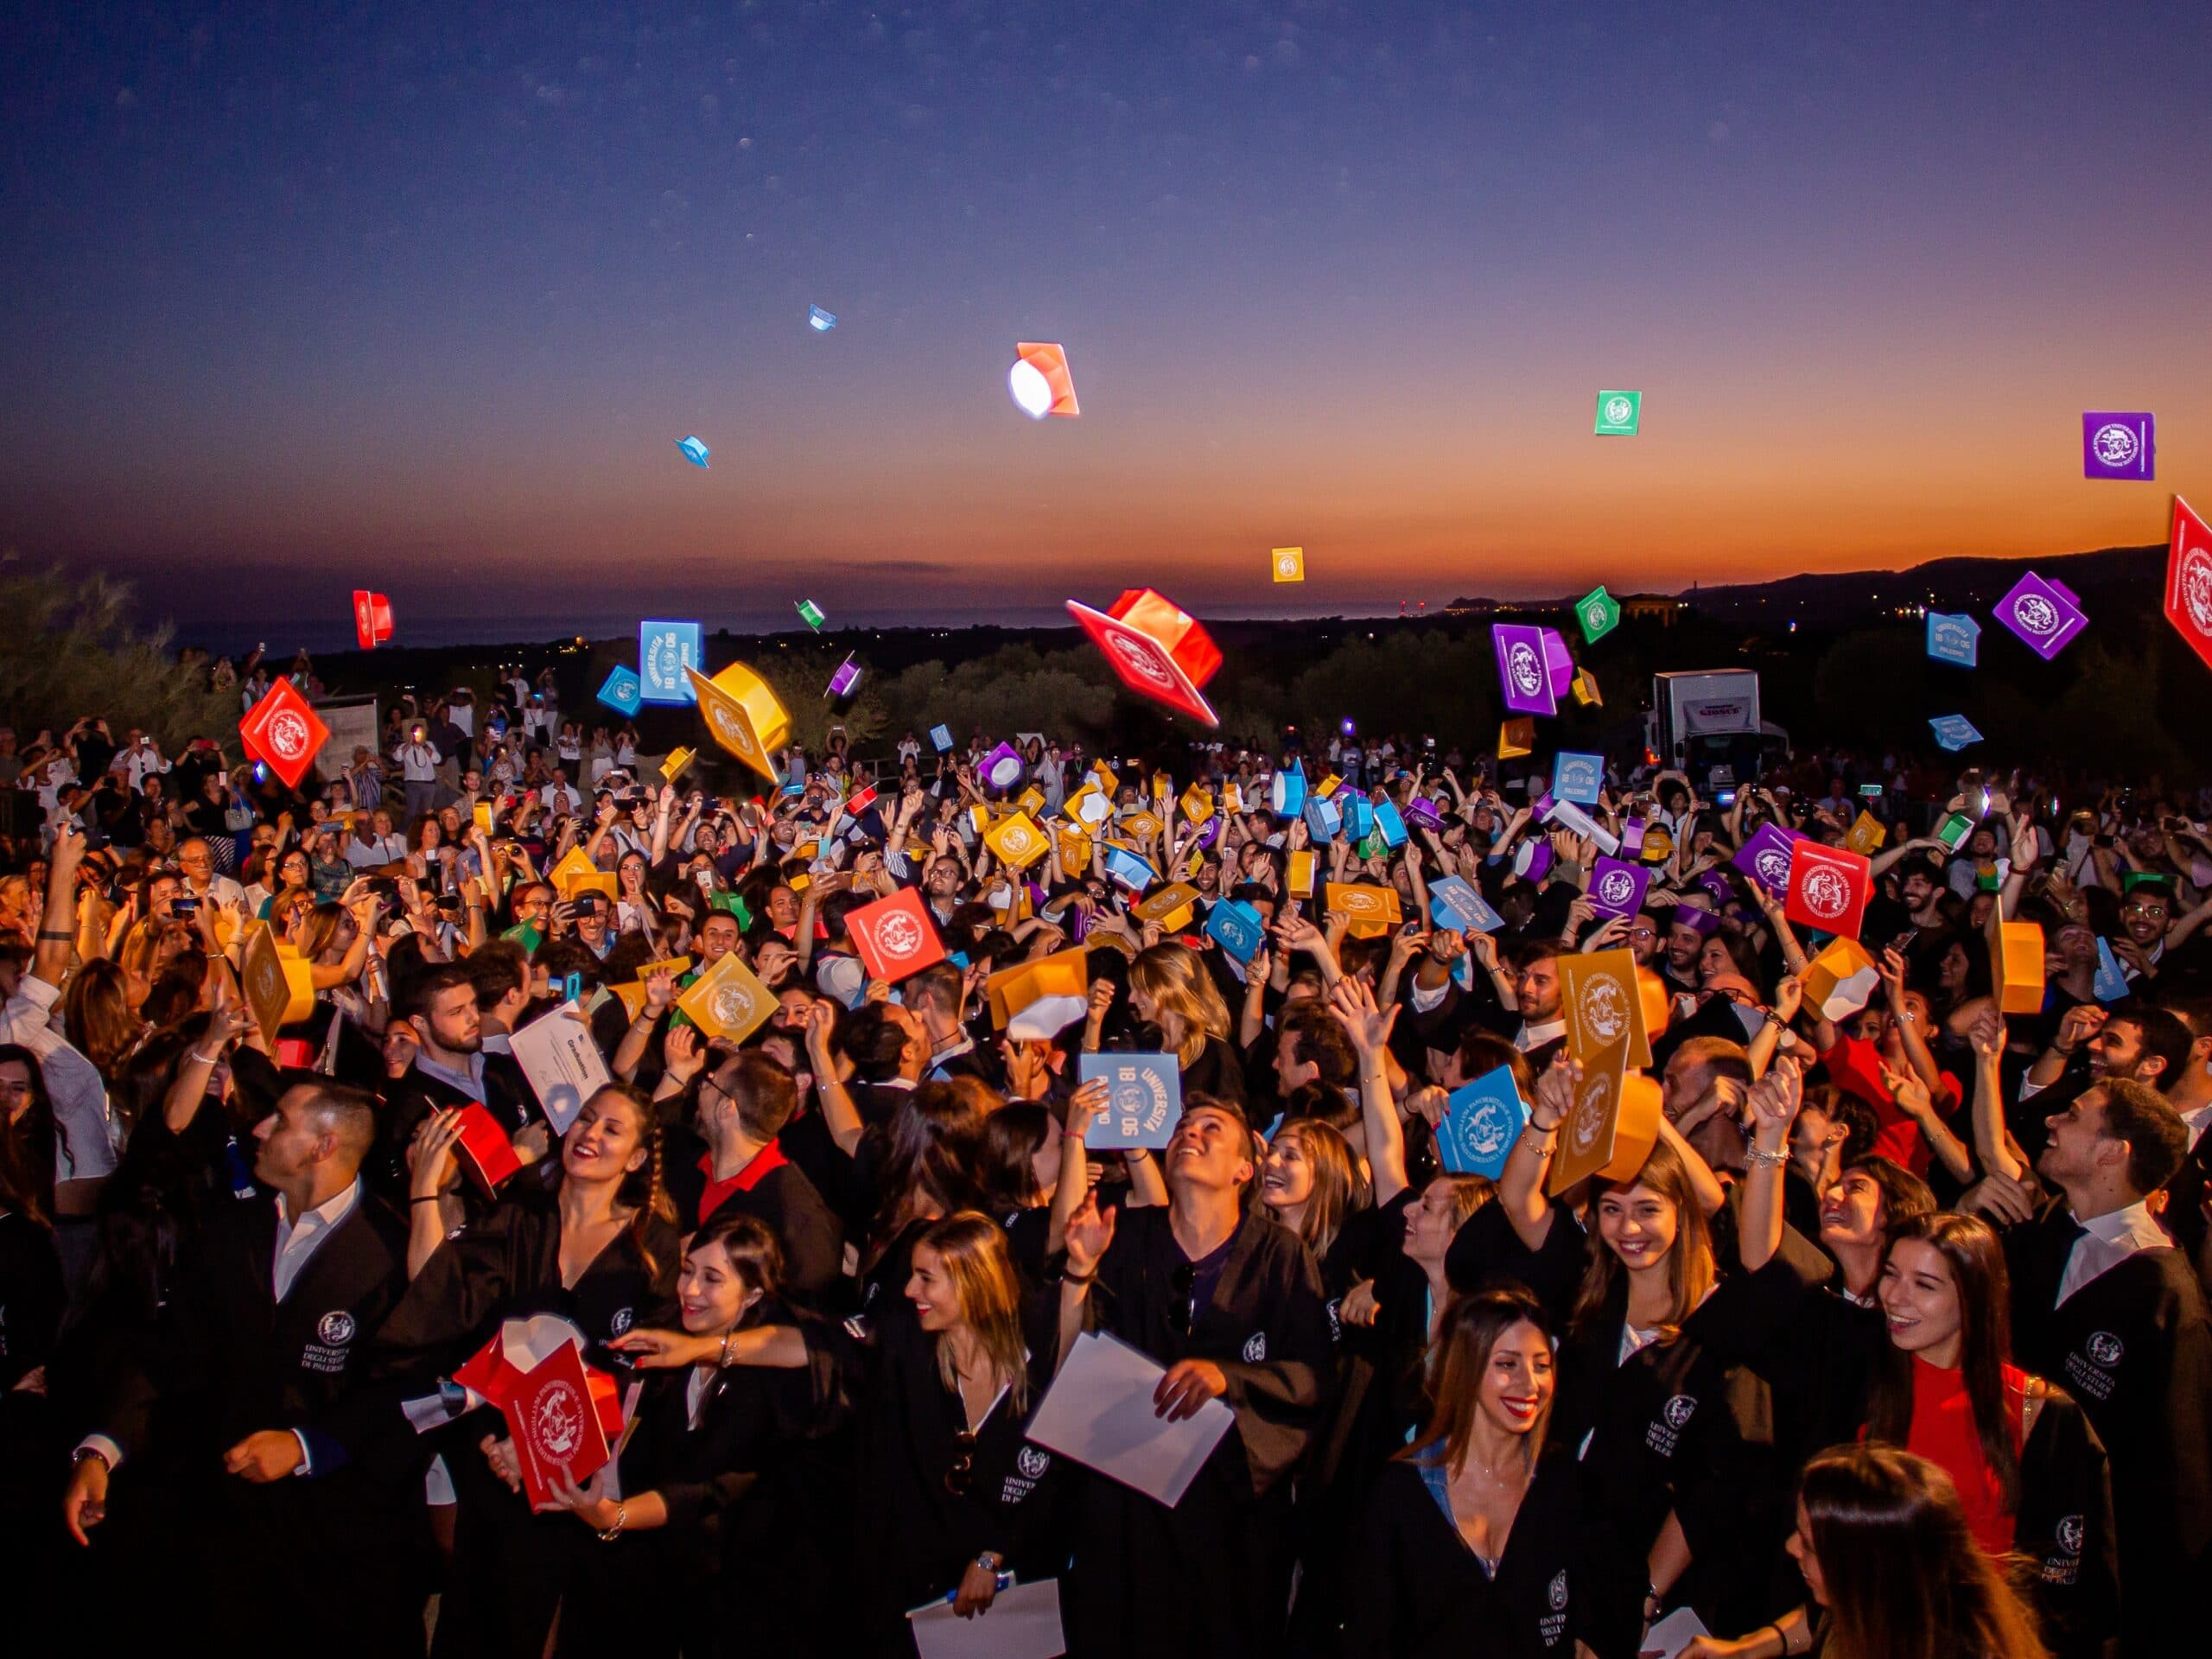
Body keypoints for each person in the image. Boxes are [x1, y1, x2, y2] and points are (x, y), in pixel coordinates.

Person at [58, 1081, 422, 1653]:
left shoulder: (394, 1252)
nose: (257, 1129)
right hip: (225, 1537)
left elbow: (406, 1393)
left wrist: (304, 1446)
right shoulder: (232, 1227)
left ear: (321, 1147)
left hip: (338, 1552)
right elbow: (171, 1350)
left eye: (278, 1121)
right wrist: (102, 1449)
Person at [360, 1080, 680, 1659]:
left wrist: (541, 1447)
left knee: (544, 1622)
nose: (590, 1134)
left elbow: (644, 1372)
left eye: (612, 1129)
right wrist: (424, 1192)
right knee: (473, 1616)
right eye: (586, 1119)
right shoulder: (519, 1214)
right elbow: (442, 1303)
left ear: (636, 1158)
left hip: (574, 1472)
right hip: (491, 1459)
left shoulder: (651, 1241)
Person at [1057, 1094, 1331, 1658]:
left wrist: (1226, 1377)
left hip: (1230, 1520)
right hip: (1127, 1513)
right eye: (1183, 1126)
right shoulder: (1121, 1236)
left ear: (1243, 1169)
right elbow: (1064, 1364)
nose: (1192, 1135)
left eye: (1212, 1128)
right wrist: (1078, 1273)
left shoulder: (1280, 1256)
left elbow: (1309, 1377)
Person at [531, 1213, 841, 1658]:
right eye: (689, 1271)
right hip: (647, 1570)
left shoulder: (765, 1385)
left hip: (738, 1589)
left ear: (753, 1294)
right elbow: (607, 1416)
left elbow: (705, 1490)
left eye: (712, 1279)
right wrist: (528, 1449)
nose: (690, 1290)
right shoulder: (667, 1339)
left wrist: (613, 1516)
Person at [1983, 1076, 2212, 1651]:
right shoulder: (2039, 1238)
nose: (2052, 1122)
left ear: (2115, 1152)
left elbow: (2179, 1484)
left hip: (2091, 1583)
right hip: (2004, 1541)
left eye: (2075, 1116)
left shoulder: (2166, 1295)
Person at [1350, 1288, 1625, 1657]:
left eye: (1541, 1366)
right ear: (1466, 1368)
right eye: (1507, 1364)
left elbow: (1604, 1608)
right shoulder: (1402, 1493)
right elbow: (1370, 1635)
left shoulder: (1568, 1486)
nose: (1529, 1385)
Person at [1697, 1445, 2050, 1659]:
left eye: (1809, 1544)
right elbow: (1821, 1621)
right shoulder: (1881, 1612)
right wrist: (1745, 1648)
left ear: (1867, 1569)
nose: (1791, 1548)